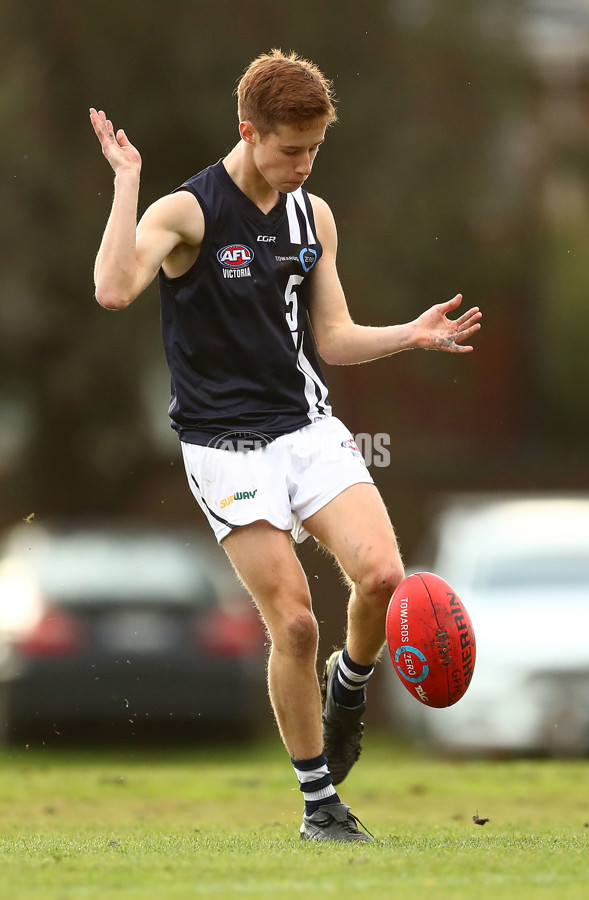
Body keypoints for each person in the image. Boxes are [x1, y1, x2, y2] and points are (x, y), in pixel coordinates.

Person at [90, 49, 481, 843]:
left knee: (383, 577)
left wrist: (410, 334)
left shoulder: (314, 216)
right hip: (224, 449)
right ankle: (320, 807)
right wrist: (127, 182)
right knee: (296, 623)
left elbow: (332, 339)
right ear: (249, 132)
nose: (303, 165)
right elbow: (113, 288)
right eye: (290, 150)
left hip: (306, 431)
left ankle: (352, 684)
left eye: (314, 150)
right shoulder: (188, 212)